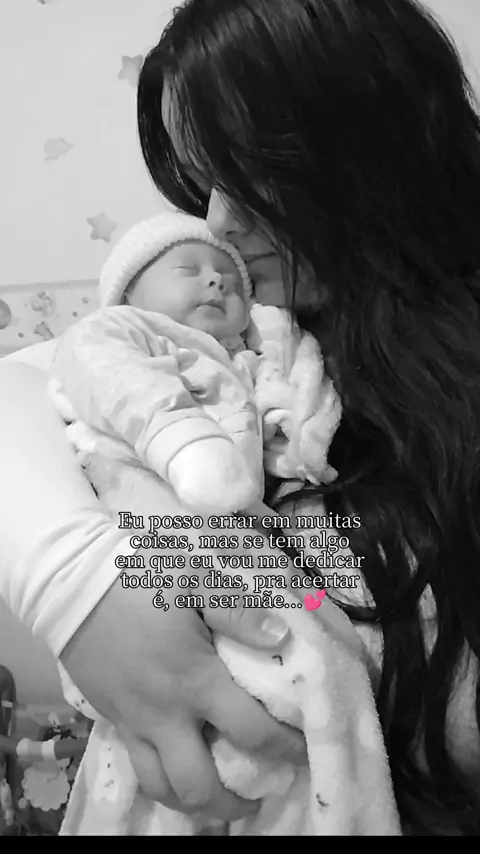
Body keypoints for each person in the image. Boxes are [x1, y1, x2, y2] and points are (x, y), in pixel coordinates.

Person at [1, 0, 479, 835]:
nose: (219, 221)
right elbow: (39, 378)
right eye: (204, 179)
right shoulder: (254, 335)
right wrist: (78, 586)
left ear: (383, 138)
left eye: (254, 166)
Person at [50, 210, 339, 517]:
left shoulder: (247, 362)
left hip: (239, 508)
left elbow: (290, 408)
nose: (217, 280)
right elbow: (106, 373)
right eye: (187, 270)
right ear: (127, 294)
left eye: (233, 283)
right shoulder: (120, 329)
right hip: (140, 479)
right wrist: (182, 440)